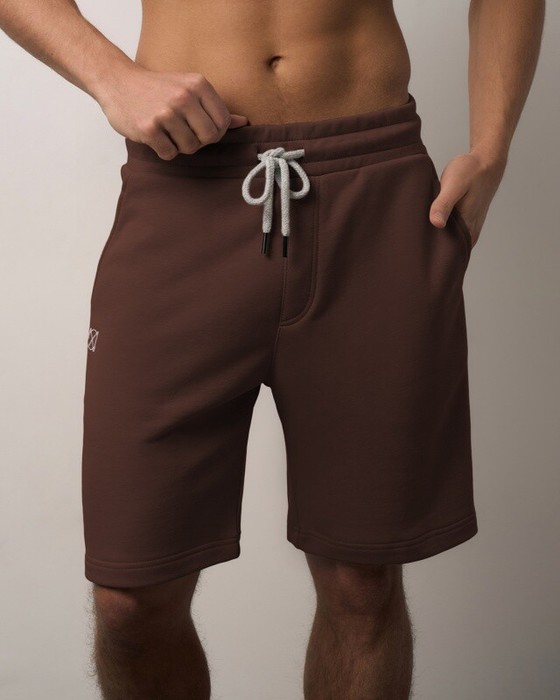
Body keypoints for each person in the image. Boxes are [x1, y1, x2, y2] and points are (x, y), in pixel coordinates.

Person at [1, 0, 545, 698]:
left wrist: (491, 149)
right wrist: (111, 76)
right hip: (182, 189)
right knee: (129, 599)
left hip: (372, 186)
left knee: (362, 581)